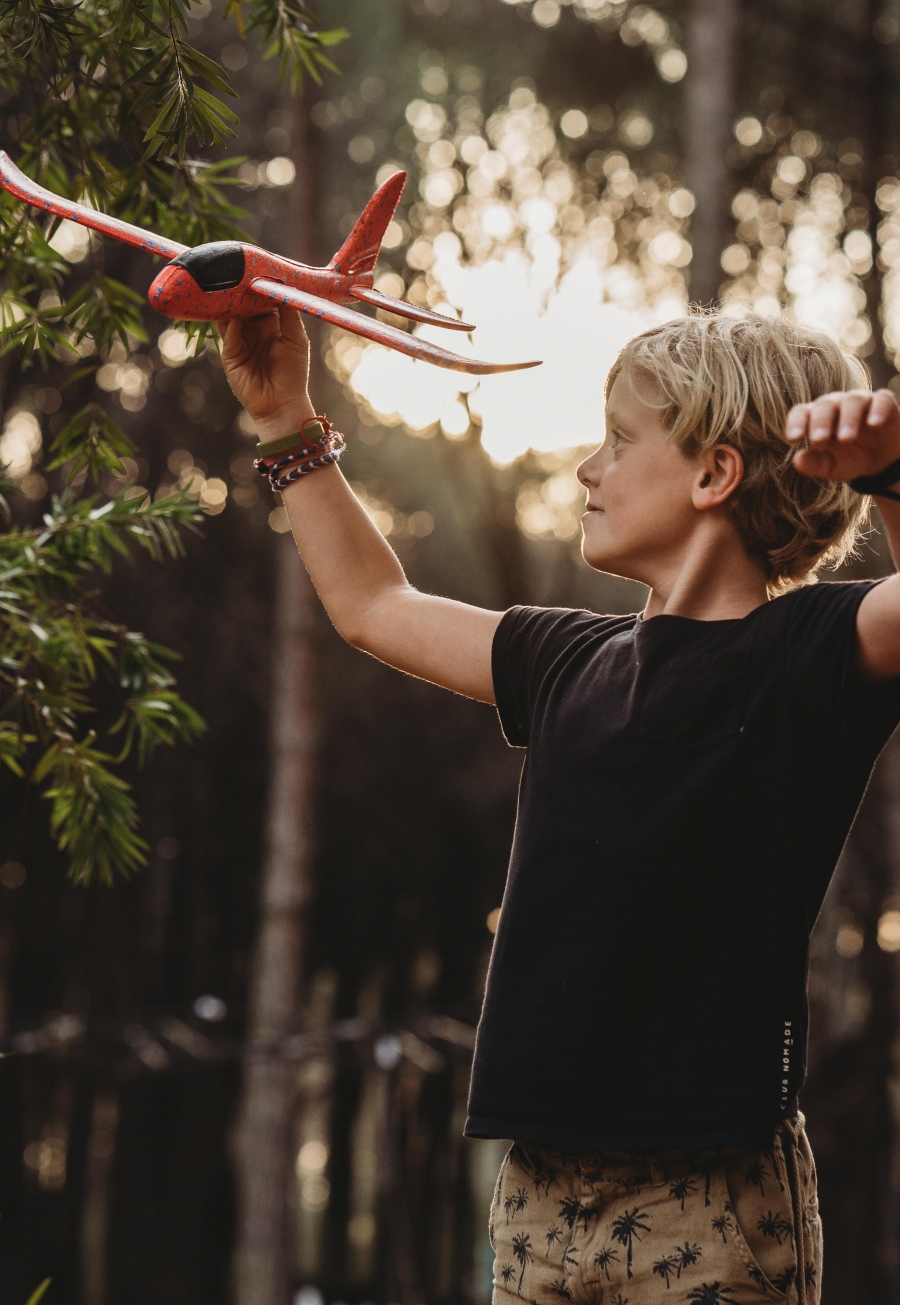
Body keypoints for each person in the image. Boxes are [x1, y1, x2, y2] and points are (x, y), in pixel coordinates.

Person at [221, 307, 900, 1305]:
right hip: (539, 1186)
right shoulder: (565, 658)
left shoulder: (804, 657)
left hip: (707, 1196)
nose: (589, 468)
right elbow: (374, 607)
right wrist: (288, 421)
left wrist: (889, 474)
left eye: (621, 441)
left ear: (715, 474)